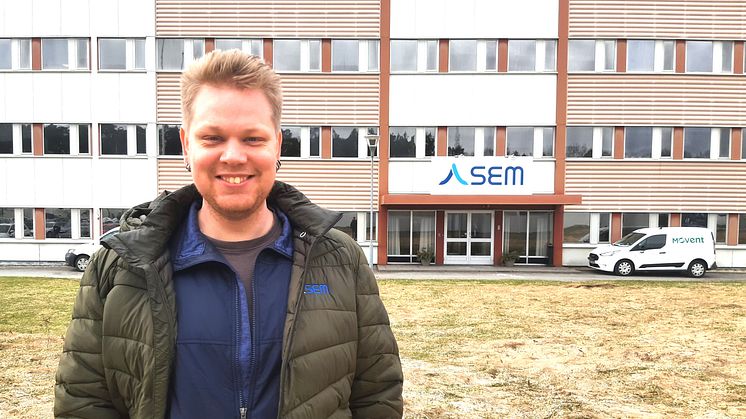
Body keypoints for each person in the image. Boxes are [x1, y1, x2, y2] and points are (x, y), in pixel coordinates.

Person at [55, 50, 403, 419]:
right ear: (187, 145)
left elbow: (376, 394)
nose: (234, 156)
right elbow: (83, 400)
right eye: (213, 137)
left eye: (253, 138)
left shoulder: (338, 258)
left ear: (277, 145)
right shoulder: (121, 262)